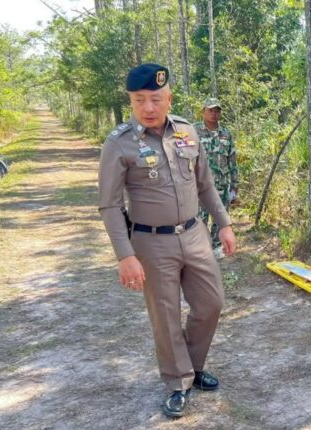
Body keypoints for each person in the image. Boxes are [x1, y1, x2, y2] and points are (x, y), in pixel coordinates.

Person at [97, 63, 237, 418]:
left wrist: (224, 224)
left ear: (168, 98)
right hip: (150, 242)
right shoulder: (119, 144)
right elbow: (110, 205)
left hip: (194, 234)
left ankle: (191, 365)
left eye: (155, 98)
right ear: (131, 100)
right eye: (139, 99)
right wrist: (124, 255)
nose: (147, 107)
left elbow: (206, 184)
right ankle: (178, 381)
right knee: (166, 314)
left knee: (211, 303)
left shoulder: (188, 132)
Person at [194, 98, 238, 259]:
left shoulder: (226, 133)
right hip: (200, 185)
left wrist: (235, 184)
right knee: (199, 217)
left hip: (222, 183)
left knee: (221, 216)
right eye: (210, 110)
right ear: (203, 111)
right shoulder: (194, 131)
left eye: (217, 110)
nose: (214, 114)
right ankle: (200, 248)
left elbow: (232, 159)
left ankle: (217, 246)